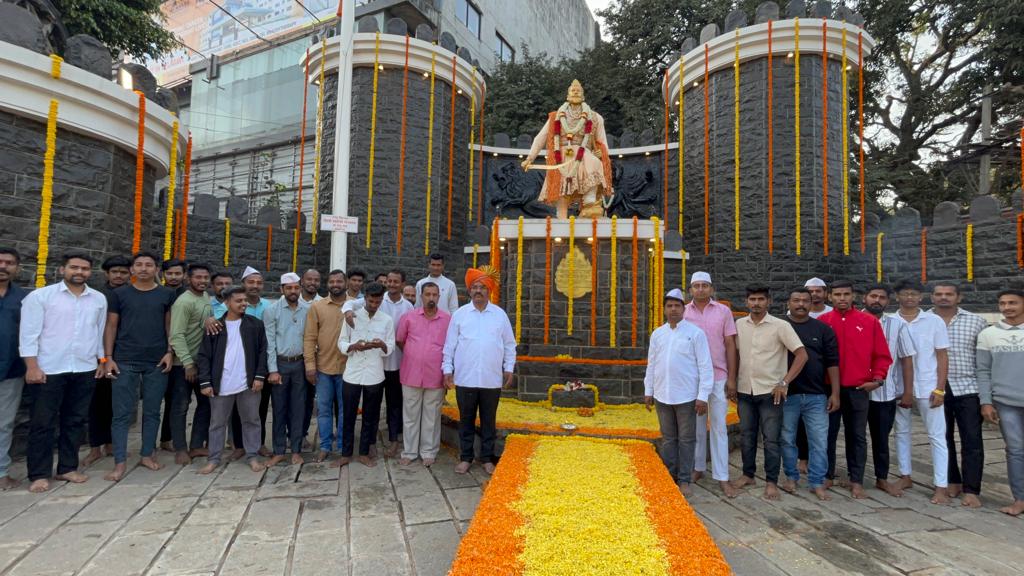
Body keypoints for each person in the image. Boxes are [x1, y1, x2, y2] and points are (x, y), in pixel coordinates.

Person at [19, 253, 106, 492]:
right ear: (61, 270)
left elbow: (98, 333)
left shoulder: (98, 299)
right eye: (74, 267)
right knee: (42, 423)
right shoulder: (40, 297)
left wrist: (102, 360)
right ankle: (39, 473)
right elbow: (28, 335)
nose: (79, 272)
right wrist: (32, 366)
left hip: (84, 368)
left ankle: (67, 467)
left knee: (75, 421)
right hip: (48, 369)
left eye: (85, 268)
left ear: (90, 272)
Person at [103, 251, 176, 481]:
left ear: (156, 270)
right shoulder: (120, 294)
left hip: (156, 361)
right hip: (124, 360)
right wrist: (108, 358)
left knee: (153, 411)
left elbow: (169, 327)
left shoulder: (167, 294)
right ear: (132, 270)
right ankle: (120, 461)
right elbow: (111, 326)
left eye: (149, 265)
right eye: (139, 265)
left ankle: (147, 454)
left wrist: (170, 352)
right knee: (121, 413)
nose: (144, 268)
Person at [819, 280, 893, 499]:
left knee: (857, 435)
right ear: (829, 297)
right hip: (828, 388)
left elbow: (882, 355)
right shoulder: (823, 322)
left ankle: (856, 479)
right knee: (827, 434)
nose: (842, 298)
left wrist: (878, 379)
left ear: (854, 296)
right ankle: (827, 474)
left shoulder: (868, 321)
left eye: (846, 294)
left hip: (858, 388)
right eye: (838, 294)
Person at [732, 285, 807, 500]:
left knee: (771, 439)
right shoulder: (739, 325)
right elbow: (735, 354)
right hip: (745, 390)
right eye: (752, 299)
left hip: (770, 392)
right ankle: (748, 474)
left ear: (769, 301)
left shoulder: (780, 326)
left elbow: (801, 355)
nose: (756, 303)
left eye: (760, 299)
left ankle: (771, 481)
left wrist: (784, 382)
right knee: (746, 436)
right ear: (747, 302)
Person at [442, 266, 516, 475]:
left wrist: (508, 368)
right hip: (465, 378)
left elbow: (509, 345)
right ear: (469, 291)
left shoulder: (499, 315)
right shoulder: (460, 315)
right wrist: (448, 369)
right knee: (465, 420)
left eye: (482, 287)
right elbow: (450, 345)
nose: (478, 290)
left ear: (489, 290)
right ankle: (466, 457)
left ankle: (486, 459)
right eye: (474, 287)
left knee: (488, 421)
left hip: (491, 379)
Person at [645, 288, 714, 495]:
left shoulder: (695, 334)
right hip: (662, 396)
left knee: (686, 439)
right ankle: (670, 476)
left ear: (684, 309)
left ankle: (685, 480)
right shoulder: (658, 334)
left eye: (677, 305)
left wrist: (702, 396)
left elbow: (705, 366)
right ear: (664, 309)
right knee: (668, 439)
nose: (673, 309)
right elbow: (652, 364)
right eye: (669, 306)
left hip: (687, 396)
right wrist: (649, 390)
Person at [197, 287, 268, 474]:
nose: (243, 303)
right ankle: (213, 459)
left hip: (248, 383)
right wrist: (205, 382)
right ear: (227, 302)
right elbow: (204, 356)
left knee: (252, 420)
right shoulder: (215, 326)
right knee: (217, 423)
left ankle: (252, 456)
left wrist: (260, 377)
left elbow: (263, 352)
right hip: (221, 383)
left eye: (245, 300)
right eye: (238, 301)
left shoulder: (255, 325)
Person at [891, 279, 950, 504]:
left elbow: (942, 355)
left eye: (914, 294)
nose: (909, 298)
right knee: (901, 432)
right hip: (899, 386)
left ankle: (941, 486)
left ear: (921, 297)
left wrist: (940, 388)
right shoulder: (890, 321)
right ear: (897, 296)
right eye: (905, 293)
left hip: (928, 385)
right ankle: (905, 476)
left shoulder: (933, 321)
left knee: (936, 436)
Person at [343, 269, 414, 457]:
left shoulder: (407, 307)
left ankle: (392, 441)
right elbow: (350, 303)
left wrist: (386, 346)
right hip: (370, 366)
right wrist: (348, 313)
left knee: (393, 404)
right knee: (367, 409)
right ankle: (369, 443)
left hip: (395, 363)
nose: (391, 284)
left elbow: (404, 335)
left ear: (402, 283)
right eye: (388, 281)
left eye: (395, 281)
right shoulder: (369, 304)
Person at [520, 79, 613, 219]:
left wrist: (602, 152)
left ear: (583, 95)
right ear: (568, 95)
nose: (575, 92)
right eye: (572, 90)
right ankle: (561, 219)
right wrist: (529, 158)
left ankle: (590, 202)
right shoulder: (556, 116)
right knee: (562, 196)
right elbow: (540, 138)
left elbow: (603, 142)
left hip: (584, 156)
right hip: (561, 157)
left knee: (595, 163)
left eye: (578, 91)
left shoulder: (595, 117)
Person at [780, 287, 840, 501]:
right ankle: (791, 477)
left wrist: (835, 393)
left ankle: (817, 481)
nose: (801, 304)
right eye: (796, 300)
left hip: (816, 395)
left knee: (819, 441)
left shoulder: (823, 329)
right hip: (788, 395)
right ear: (788, 302)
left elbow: (832, 363)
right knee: (787, 439)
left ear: (811, 302)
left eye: (805, 300)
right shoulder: (779, 326)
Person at [931, 281, 988, 508]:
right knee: (943, 438)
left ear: (959, 297)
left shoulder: (976, 321)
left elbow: (984, 359)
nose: (944, 297)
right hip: (937, 388)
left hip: (968, 387)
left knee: (972, 439)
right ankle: (952, 480)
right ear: (932, 297)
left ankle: (972, 489)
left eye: (949, 294)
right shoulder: (926, 320)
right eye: (939, 294)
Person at [683, 272, 738, 498]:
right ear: (690, 290)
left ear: (712, 289)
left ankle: (722, 476)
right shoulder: (683, 313)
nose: (701, 289)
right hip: (692, 379)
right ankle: (698, 468)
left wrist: (732, 378)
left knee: (718, 427)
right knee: (696, 427)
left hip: (718, 376)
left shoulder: (723, 311)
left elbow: (730, 344)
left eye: (705, 285)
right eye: (696, 286)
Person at [863, 283, 917, 497]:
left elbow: (906, 360)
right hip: (856, 391)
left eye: (882, 297)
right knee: (855, 436)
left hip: (885, 393)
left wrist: (907, 392)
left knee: (881, 438)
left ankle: (881, 478)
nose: (877, 300)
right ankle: (854, 476)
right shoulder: (853, 321)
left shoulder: (897, 325)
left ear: (888, 301)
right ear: (864, 298)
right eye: (873, 296)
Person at [336, 282, 395, 468]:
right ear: (365, 297)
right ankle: (345, 453)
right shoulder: (352, 317)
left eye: (378, 302)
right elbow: (342, 342)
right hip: (352, 373)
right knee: (348, 414)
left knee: (371, 415)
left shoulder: (386, 320)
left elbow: (390, 347)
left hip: (374, 374)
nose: (374, 305)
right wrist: (354, 346)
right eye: (371, 301)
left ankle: (363, 452)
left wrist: (381, 345)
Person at [978, 288, 1024, 516]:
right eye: (1003, 303)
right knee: (1015, 451)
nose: (1007, 307)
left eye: (1013, 303)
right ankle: (1020, 499)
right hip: (1006, 402)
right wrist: (986, 401)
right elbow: (983, 370)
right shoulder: (989, 334)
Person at [83, 255, 131, 466]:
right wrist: (102, 357)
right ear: (106, 274)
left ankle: (112, 444)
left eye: (123, 272)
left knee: (118, 403)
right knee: (96, 402)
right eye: (115, 272)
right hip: (98, 357)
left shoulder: (131, 294)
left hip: (124, 356)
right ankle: (95, 447)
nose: (119, 276)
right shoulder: (96, 295)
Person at [396, 282, 451, 466]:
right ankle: (409, 452)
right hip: (411, 374)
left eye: (435, 295)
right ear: (421, 296)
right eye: (427, 294)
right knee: (410, 415)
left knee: (432, 416)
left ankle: (429, 452)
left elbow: (451, 347)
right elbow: (400, 340)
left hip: (435, 376)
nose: (431, 298)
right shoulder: (409, 317)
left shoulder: (447, 319)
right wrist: (415, 355)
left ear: (439, 297)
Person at [168, 263, 215, 463]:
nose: (202, 281)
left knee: (205, 403)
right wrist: (187, 363)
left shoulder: (204, 297)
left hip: (202, 362)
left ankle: (196, 445)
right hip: (184, 365)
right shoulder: (183, 302)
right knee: (180, 406)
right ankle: (180, 448)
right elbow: (176, 335)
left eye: (205, 278)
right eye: (198, 278)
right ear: (189, 279)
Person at [264, 272, 310, 467]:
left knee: (299, 408)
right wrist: (273, 370)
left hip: (300, 364)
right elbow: (270, 343)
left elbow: (311, 339)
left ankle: (297, 450)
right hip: (280, 365)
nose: (293, 291)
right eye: (289, 288)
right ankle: (279, 450)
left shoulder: (308, 309)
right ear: (281, 289)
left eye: (296, 287)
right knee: (279, 408)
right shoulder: (272, 310)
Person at [303, 269, 349, 461]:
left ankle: (342, 447)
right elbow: (309, 338)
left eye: (339, 281)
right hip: (323, 368)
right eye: (332, 281)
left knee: (345, 410)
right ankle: (324, 446)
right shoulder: (317, 307)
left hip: (348, 369)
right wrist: (309, 365)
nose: (335, 285)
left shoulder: (354, 306)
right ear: (327, 284)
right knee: (324, 409)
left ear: (345, 284)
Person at [793, 277, 832, 474]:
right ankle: (802, 459)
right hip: (794, 383)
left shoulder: (829, 317)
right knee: (796, 427)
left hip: (821, 380)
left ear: (825, 293)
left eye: (818, 291)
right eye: (811, 290)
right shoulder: (788, 320)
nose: (815, 294)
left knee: (821, 431)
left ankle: (823, 471)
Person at [0, 248, 26, 490]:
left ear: (17, 268)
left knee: (4, 423)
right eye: (0, 262)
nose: (3, 266)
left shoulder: (24, 298)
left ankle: (1, 472)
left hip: (10, 370)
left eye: (9, 263)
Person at [240, 266, 271, 455]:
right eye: (251, 282)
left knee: (261, 406)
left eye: (259, 283)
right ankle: (238, 445)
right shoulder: (234, 304)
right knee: (237, 407)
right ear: (243, 283)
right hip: (238, 363)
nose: (255, 286)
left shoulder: (269, 306)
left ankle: (259, 443)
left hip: (262, 363)